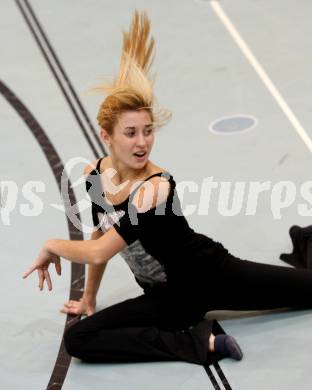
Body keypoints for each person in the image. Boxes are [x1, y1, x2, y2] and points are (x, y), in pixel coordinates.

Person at [23, 10, 312, 367]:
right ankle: (198, 342)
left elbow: (98, 251)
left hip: (210, 276)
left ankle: (306, 243)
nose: (142, 142)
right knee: (80, 338)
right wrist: (89, 298)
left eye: (148, 131)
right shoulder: (95, 175)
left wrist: (52, 245)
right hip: (165, 298)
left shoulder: (154, 189)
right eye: (131, 133)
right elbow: (99, 233)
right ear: (106, 136)